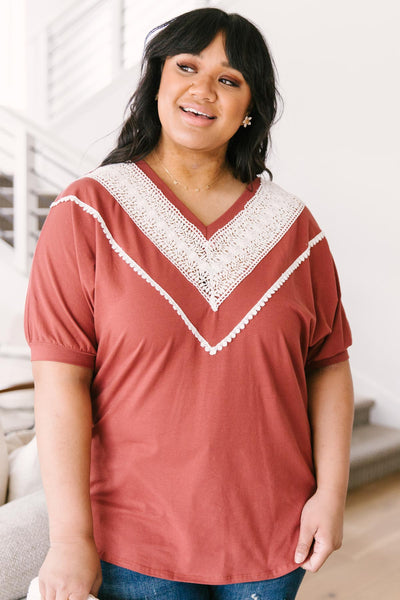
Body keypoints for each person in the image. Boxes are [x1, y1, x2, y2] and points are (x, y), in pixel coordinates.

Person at [24, 8, 354, 600]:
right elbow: (59, 382)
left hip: (273, 544)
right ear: (157, 81)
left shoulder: (294, 227)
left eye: (229, 79)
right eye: (187, 66)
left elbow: (327, 364)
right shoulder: (89, 213)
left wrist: (330, 494)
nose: (204, 89)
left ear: (251, 107)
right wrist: (69, 539)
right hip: (134, 544)